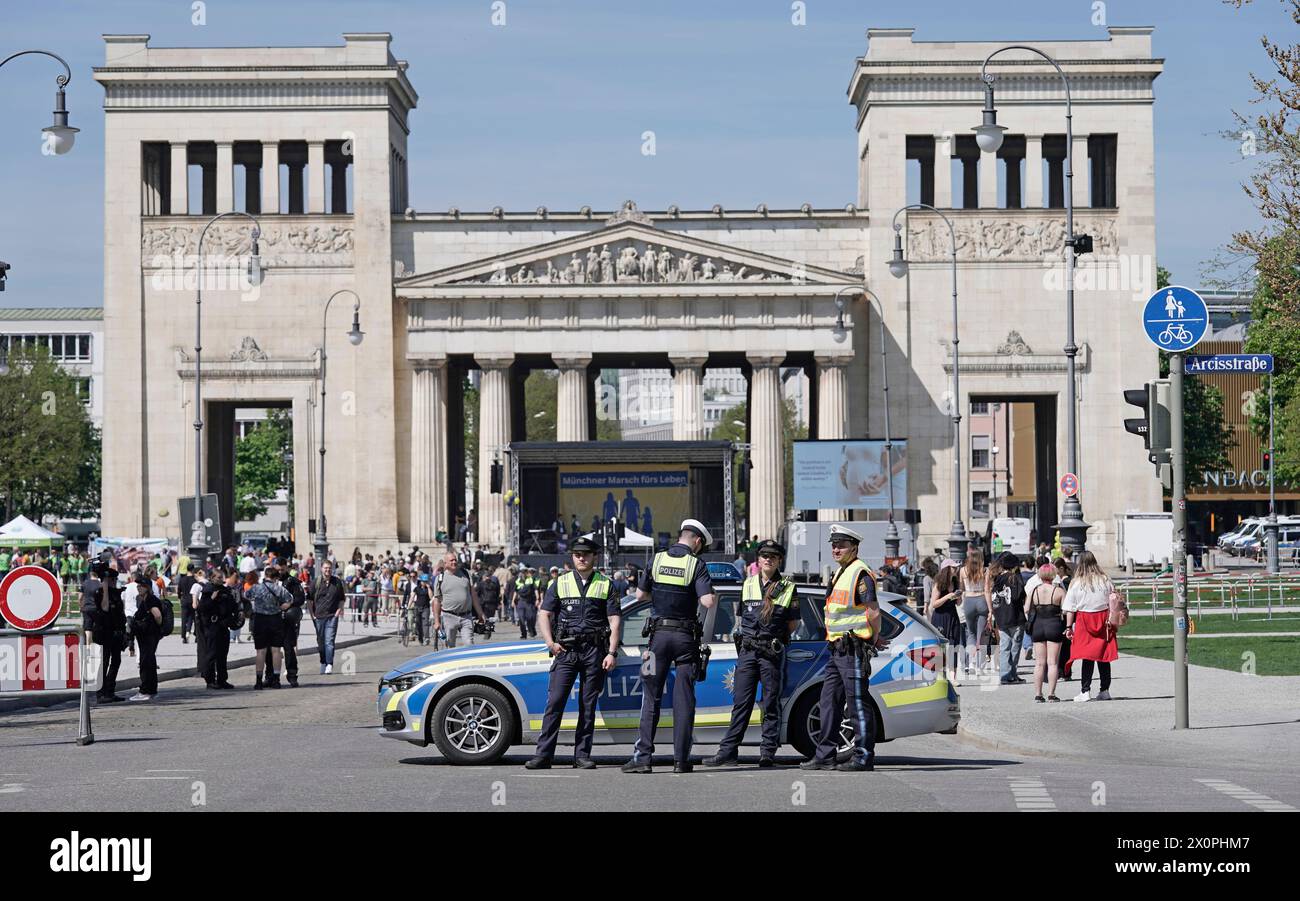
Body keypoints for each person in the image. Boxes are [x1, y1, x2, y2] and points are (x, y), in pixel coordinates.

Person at [622, 518, 716, 775]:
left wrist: (661, 597)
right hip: (685, 641)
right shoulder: (696, 564)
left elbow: (640, 596)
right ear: (697, 541)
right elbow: (707, 601)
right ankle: (680, 761)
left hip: (657, 640)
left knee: (650, 696)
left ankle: (642, 759)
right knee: (684, 700)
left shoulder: (657, 559)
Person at [527, 536, 622, 769]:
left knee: (587, 706)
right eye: (577, 554)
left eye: (586, 554)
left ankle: (582, 755)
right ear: (572, 557)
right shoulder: (560, 582)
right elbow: (544, 614)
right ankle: (543, 755)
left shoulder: (605, 583)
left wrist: (612, 652)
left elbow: (615, 620)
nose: (581, 557)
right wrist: (550, 643)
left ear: (594, 557)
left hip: (594, 651)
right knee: (555, 702)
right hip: (566, 651)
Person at [705, 538, 799, 768]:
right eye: (764, 555)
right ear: (758, 559)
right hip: (747, 652)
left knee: (770, 703)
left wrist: (772, 637)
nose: (768, 559)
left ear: (779, 561)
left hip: (770, 652)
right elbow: (740, 618)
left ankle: (767, 753)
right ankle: (728, 751)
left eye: (773, 556)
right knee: (741, 703)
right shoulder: (747, 584)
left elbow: (793, 624)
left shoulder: (787, 587)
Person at [801, 525, 880, 772]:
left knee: (857, 704)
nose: (836, 549)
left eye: (841, 545)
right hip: (836, 649)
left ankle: (864, 756)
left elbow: (874, 611)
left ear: (854, 548)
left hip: (854, 649)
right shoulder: (840, 573)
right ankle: (825, 755)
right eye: (833, 545)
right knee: (828, 702)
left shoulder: (860, 573)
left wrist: (874, 638)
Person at [1064, 551, 1119, 701]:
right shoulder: (1105, 580)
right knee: (1103, 656)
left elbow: (1070, 608)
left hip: (1084, 619)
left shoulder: (1076, 583)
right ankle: (1105, 689)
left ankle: (1085, 690)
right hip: (1103, 619)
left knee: (1087, 656)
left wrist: (1068, 627)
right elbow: (1113, 601)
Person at [85, 555, 127, 703]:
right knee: (104, 663)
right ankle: (100, 693)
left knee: (116, 661)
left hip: (116, 633)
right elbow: (105, 607)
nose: (114, 582)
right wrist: (104, 586)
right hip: (104, 633)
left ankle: (110, 691)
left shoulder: (116, 593)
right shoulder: (101, 593)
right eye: (111, 580)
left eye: (114, 580)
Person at [1025, 563, 1066, 702]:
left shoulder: (1034, 590)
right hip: (1054, 624)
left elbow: (1026, 608)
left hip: (1038, 625)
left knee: (1039, 663)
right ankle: (1051, 694)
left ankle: (1038, 694)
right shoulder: (1059, 591)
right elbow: (1065, 610)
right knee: (1053, 662)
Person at [246, 568, 292, 689]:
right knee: (276, 651)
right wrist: (281, 607)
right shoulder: (279, 588)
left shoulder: (256, 588)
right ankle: (276, 679)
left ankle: (258, 681)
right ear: (275, 578)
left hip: (260, 620)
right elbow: (289, 599)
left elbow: (247, 595)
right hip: (275, 620)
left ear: (265, 575)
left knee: (260, 651)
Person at [988, 552, 1027, 685]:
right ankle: (1012, 674)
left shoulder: (997, 579)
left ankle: (1005, 674)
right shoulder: (1014, 578)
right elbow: (1019, 596)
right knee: (1015, 647)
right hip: (1015, 616)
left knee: (1004, 646)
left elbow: (995, 599)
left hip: (1002, 617)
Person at [198, 567, 239, 689]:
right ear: (212, 578)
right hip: (212, 626)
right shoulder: (208, 590)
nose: (221, 580)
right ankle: (210, 680)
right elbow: (202, 608)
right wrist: (211, 599)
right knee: (212, 654)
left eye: (222, 577)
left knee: (223, 654)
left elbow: (232, 605)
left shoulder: (225, 590)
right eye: (218, 577)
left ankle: (222, 679)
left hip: (223, 625)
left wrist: (237, 613)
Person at [434, 553, 486, 647]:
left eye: (455, 560)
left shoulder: (465, 574)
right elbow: (437, 601)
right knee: (450, 646)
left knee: (469, 644)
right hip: (449, 616)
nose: (454, 562)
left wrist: (480, 613)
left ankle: (470, 662)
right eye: (451, 560)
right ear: (445, 564)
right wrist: (437, 621)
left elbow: (473, 595)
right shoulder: (440, 579)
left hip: (466, 616)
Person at [926, 559, 964, 686]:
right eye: (953, 568)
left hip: (953, 615)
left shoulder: (955, 582)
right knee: (940, 647)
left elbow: (959, 603)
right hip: (940, 616)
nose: (956, 570)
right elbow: (934, 604)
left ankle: (952, 676)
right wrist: (948, 596)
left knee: (954, 645)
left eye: (957, 568)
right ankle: (939, 675)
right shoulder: (939, 583)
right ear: (947, 569)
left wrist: (958, 596)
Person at [128, 574, 164, 702]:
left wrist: (155, 628)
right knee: (149, 662)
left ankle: (146, 690)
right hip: (146, 636)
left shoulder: (150, 600)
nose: (138, 588)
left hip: (148, 636)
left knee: (146, 663)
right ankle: (151, 690)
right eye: (138, 585)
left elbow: (158, 615)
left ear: (147, 587)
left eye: (141, 586)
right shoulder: (144, 599)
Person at [309, 559, 346, 674]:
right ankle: (323, 662)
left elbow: (342, 599)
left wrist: (337, 613)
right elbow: (309, 600)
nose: (327, 570)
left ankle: (329, 663)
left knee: (329, 641)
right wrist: (312, 616)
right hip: (318, 617)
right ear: (321, 569)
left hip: (331, 616)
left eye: (329, 568)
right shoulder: (316, 582)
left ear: (332, 569)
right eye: (325, 568)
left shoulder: (337, 582)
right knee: (321, 643)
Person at [958, 550, 991, 675]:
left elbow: (961, 589)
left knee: (970, 634)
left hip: (969, 601)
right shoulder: (985, 570)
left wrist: (960, 600)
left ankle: (971, 663)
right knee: (980, 635)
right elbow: (987, 590)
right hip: (981, 599)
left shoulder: (963, 571)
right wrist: (990, 610)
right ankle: (979, 666)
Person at [275, 566, 306, 687]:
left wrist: (290, 604)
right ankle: (272, 677)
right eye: (278, 570)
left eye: (282, 570)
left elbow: (300, 598)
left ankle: (292, 675)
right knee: (272, 650)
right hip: (274, 619)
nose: (279, 572)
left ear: (286, 568)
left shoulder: (292, 582)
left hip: (288, 619)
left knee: (288, 649)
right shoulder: (271, 582)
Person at [514, 566, 540, 639]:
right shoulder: (518, 580)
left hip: (529, 601)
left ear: (527, 572)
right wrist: (513, 600)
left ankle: (531, 630)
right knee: (521, 618)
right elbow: (515, 591)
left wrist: (538, 599)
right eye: (522, 572)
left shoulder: (531, 580)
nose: (523, 573)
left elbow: (535, 589)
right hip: (521, 602)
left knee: (530, 618)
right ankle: (523, 634)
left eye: (525, 571)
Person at [176, 565, 197, 644]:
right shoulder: (194, 580)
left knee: (184, 619)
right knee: (195, 619)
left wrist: (179, 597)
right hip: (192, 600)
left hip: (184, 600)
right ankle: (196, 635)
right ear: (193, 570)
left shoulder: (182, 579)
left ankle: (184, 636)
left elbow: (179, 590)